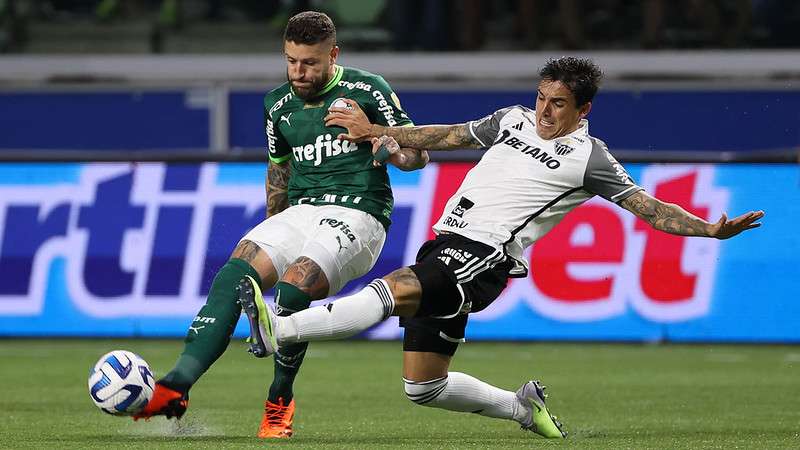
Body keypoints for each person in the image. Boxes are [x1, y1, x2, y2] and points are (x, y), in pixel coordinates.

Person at [238, 56, 764, 438]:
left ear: (583, 109)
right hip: (446, 243)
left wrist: (709, 230)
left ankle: (280, 327)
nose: (544, 111)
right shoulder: (511, 119)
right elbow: (446, 136)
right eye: (541, 97)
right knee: (424, 388)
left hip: (485, 255)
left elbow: (649, 208)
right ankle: (521, 407)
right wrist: (376, 130)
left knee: (395, 289)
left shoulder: (589, 158)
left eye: (558, 104)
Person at [133, 10, 429, 439]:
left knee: (293, 287)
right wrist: (275, 226)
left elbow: (417, 156)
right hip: (299, 212)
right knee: (235, 275)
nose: (298, 71)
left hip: (359, 213)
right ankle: (176, 385)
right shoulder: (277, 104)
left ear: (333, 55)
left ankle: (279, 401)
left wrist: (381, 141)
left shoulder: (367, 89)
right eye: (291, 61)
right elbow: (279, 170)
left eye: (309, 62)